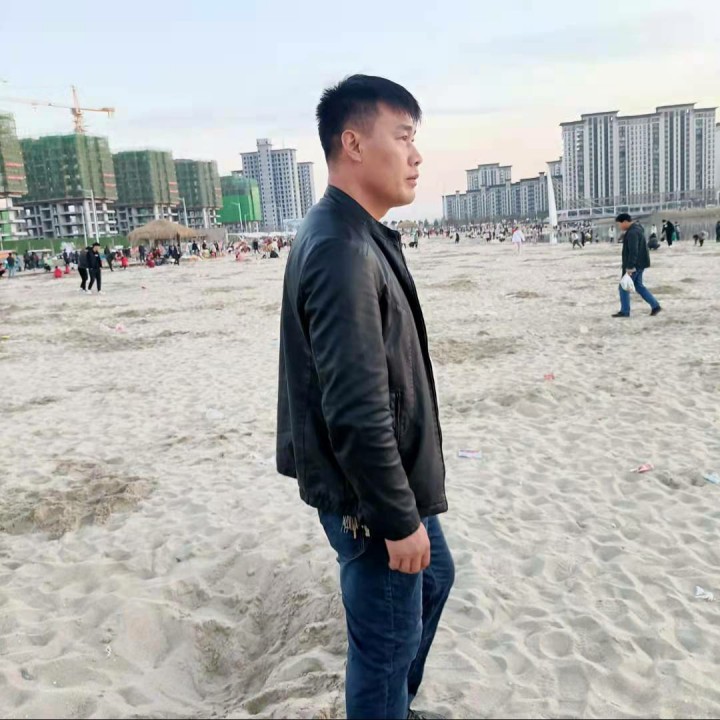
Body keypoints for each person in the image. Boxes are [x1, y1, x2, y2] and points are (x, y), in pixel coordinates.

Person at [276, 75, 453, 720]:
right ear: (353, 144)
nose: (416, 155)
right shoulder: (341, 247)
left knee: (434, 580)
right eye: (402, 137)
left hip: (390, 481)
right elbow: (354, 409)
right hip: (369, 497)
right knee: (385, 644)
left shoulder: (359, 232)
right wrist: (397, 520)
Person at [613, 213, 661, 318]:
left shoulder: (632, 233)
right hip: (641, 263)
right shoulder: (637, 229)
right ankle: (655, 305)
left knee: (623, 287)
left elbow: (633, 251)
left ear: (625, 222)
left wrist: (630, 267)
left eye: (620, 224)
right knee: (639, 286)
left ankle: (625, 311)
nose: (619, 226)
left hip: (635, 265)